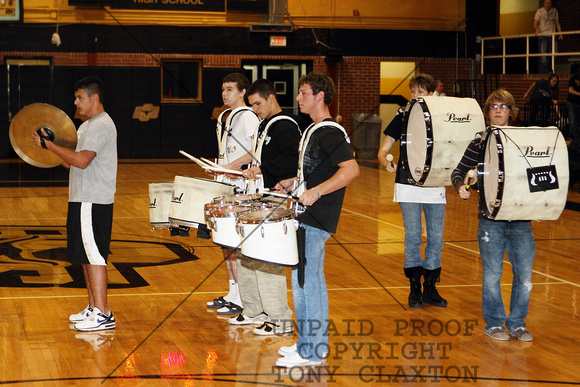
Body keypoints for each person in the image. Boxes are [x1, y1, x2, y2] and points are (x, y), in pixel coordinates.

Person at [274, 72, 359, 367]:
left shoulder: (329, 132)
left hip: (316, 218)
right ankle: (307, 344)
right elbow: (313, 170)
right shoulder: (314, 130)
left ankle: (312, 351)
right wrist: (293, 182)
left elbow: (350, 170)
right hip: (305, 216)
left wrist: (316, 192)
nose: (298, 98)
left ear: (320, 96)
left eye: (303, 92)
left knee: (307, 283)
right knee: (304, 282)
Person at [33, 76, 117, 331]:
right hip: (82, 199)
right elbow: (70, 161)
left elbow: (82, 161)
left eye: (80, 97)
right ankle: (93, 307)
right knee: (85, 256)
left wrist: (51, 145)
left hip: (93, 200)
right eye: (76, 97)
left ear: (94, 98)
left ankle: (103, 313)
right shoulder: (86, 126)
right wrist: (51, 146)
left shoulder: (101, 125)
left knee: (95, 256)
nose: (76, 102)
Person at [451, 89, 535, 342]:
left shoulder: (525, 141)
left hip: (521, 221)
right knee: (492, 276)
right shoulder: (478, 142)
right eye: (494, 106)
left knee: (525, 277)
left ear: (512, 111)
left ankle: (518, 323)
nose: (498, 110)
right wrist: (460, 187)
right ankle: (495, 323)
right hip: (491, 221)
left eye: (504, 106)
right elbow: (458, 172)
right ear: (488, 112)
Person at [221, 79, 301, 335]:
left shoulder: (286, 125)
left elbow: (291, 160)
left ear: (271, 99)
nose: (254, 109)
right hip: (257, 194)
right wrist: (244, 171)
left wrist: (262, 169)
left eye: (258, 104)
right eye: (252, 104)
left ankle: (280, 317)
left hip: (276, 197)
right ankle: (254, 309)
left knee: (268, 259)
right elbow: (260, 159)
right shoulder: (265, 125)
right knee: (247, 254)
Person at [377, 74, 448, 310]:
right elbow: (383, 149)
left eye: (420, 92)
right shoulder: (403, 115)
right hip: (407, 183)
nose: (415, 96)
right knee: (413, 237)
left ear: (431, 94)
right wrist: (385, 161)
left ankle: (430, 285)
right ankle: (414, 287)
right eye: (413, 92)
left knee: (436, 238)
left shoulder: (442, 119)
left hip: (435, 183)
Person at [206, 73, 260, 315]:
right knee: (225, 242)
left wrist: (230, 167)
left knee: (235, 243)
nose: (224, 93)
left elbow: (254, 152)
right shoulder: (225, 117)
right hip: (227, 183)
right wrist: (218, 168)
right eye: (222, 89)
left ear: (242, 92)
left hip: (242, 186)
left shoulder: (247, 116)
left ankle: (242, 297)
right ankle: (232, 291)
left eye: (230, 89)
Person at [533, 0, 563, 74]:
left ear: (551, 3)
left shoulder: (554, 11)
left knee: (554, 53)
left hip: (552, 35)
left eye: (549, 3)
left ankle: (550, 70)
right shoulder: (539, 11)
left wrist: (560, 33)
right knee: (543, 55)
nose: (547, 5)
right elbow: (535, 23)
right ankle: (544, 72)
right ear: (543, 3)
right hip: (543, 35)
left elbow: (557, 23)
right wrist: (537, 29)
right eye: (546, 3)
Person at [567, 68, 580, 140]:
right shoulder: (574, 78)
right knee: (572, 122)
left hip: (578, 103)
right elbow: (570, 90)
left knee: (577, 122)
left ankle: (577, 139)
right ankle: (573, 138)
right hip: (571, 102)